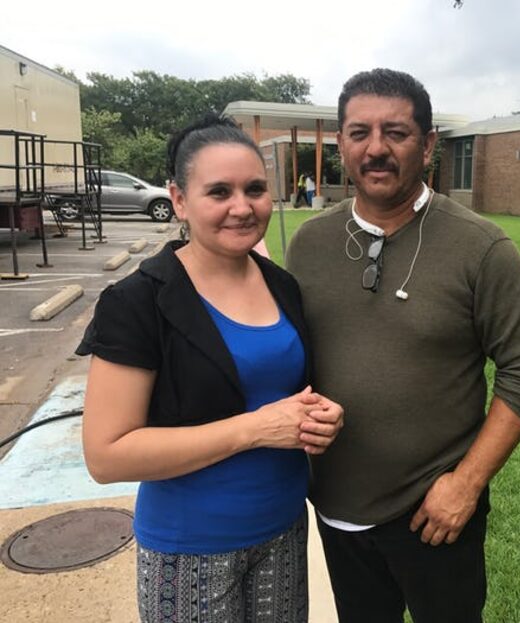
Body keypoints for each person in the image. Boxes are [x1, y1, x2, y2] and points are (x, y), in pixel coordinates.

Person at [286, 68, 520, 622]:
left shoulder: (481, 247)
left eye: (397, 132)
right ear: (341, 143)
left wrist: (467, 484)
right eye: (359, 132)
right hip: (336, 510)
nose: (376, 148)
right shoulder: (310, 244)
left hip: (433, 513)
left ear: (429, 144)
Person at [77, 114, 344, 623]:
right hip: (190, 549)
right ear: (179, 199)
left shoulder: (282, 286)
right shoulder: (138, 302)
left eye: (255, 189)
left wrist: (319, 417)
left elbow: (287, 395)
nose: (241, 207)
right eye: (218, 191)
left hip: (283, 531)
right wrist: (257, 428)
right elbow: (107, 456)